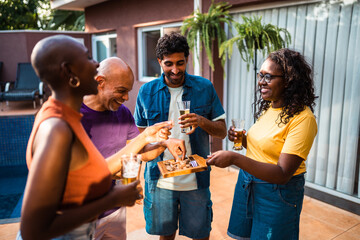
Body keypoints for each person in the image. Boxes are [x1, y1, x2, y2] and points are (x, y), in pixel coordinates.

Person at [18, 35, 176, 240]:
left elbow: (87, 176)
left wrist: (152, 139)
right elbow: (33, 229)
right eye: (88, 58)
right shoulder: (56, 128)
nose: (96, 64)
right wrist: (111, 200)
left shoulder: (68, 117)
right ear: (69, 72)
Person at [207, 48, 318, 240]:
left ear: (289, 81)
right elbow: (266, 148)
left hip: (277, 194)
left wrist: (234, 157)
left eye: (268, 77)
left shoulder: (303, 119)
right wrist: (242, 140)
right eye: (260, 75)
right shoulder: (271, 107)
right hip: (247, 185)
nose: (261, 82)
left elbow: (282, 174)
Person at [134, 32, 227, 240]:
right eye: (168, 64)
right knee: (165, 236)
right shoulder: (146, 92)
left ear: (187, 59)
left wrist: (201, 121)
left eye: (180, 63)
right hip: (159, 181)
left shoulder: (205, 87)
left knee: (200, 235)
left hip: (195, 179)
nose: (175, 70)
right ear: (159, 61)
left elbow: (222, 130)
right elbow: (139, 139)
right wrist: (162, 141)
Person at [80, 56, 185, 240]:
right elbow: (93, 173)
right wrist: (145, 136)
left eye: (128, 91)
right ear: (100, 82)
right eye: (121, 91)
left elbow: (140, 154)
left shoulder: (123, 113)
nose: (126, 98)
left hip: (114, 209)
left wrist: (162, 143)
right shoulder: (75, 117)